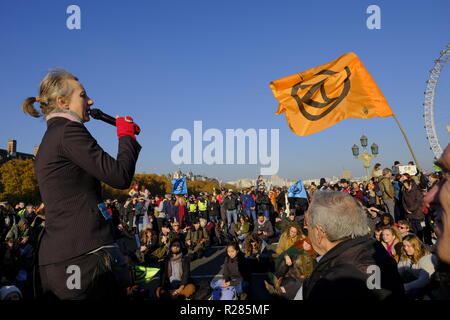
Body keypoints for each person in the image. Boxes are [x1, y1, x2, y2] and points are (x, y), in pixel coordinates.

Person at [23, 69, 142, 299]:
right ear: (63, 102)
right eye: (83, 95)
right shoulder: (69, 131)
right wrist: (126, 137)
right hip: (82, 255)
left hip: (63, 255)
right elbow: (119, 176)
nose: (90, 101)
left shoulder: (54, 134)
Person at [299, 191, 404, 300]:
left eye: (307, 225)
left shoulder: (330, 282)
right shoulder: (378, 253)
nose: (306, 230)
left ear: (319, 232)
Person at [398, 235, 436, 299]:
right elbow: (399, 271)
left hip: (426, 286)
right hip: (411, 282)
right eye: (404, 245)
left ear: (416, 246)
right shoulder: (405, 254)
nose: (405, 248)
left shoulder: (427, 258)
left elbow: (423, 281)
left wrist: (404, 287)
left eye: (409, 246)